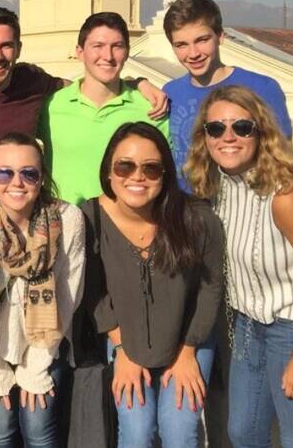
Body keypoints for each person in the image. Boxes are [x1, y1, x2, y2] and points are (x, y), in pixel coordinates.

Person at [185, 86, 293, 448]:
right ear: (204, 137)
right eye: (216, 129)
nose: (228, 137)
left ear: (261, 132)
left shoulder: (287, 196)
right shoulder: (219, 186)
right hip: (247, 327)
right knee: (243, 432)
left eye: (241, 127)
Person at [0, 7, 168, 209]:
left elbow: (91, 82)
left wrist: (137, 82)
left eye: (6, 46)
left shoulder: (36, 87)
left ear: (19, 49)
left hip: (25, 226)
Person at [83, 122, 222, 447]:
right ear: (109, 171)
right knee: (136, 429)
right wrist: (122, 351)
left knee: (179, 429)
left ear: (165, 173)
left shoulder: (197, 219)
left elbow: (210, 289)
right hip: (125, 340)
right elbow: (93, 293)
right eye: (125, 166)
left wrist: (188, 352)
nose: (137, 176)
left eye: (151, 168)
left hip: (189, 338)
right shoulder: (90, 219)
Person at [0, 133, 85, 448]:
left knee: (39, 428)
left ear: (42, 178)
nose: (17, 182)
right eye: (5, 172)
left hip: (47, 342)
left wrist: (37, 366)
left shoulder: (67, 219)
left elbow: (67, 296)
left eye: (29, 173)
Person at [162, 0, 291, 190]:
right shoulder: (170, 92)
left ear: (220, 36)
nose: (193, 53)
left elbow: (282, 157)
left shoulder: (262, 88)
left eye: (202, 40)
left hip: (243, 208)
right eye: (182, 45)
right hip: (184, 211)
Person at [39, 12, 169, 206]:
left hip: (126, 228)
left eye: (116, 46)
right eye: (97, 46)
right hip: (64, 225)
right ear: (80, 52)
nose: (107, 56)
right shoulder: (51, 106)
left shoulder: (152, 108)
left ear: (127, 51)